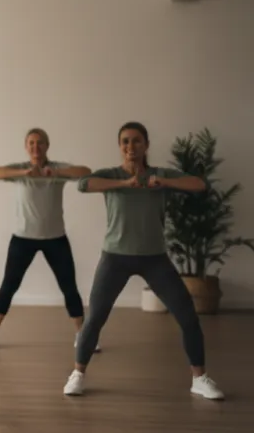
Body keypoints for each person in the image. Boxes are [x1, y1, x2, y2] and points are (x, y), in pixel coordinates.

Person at [62, 121, 223, 400]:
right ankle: (78, 374)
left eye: (136, 141)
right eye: (125, 141)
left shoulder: (161, 175)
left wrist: (165, 182)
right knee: (95, 318)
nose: (130, 146)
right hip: (115, 257)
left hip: (154, 258)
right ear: (120, 146)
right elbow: (84, 184)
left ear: (146, 145)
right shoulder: (111, 175)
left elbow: (199, 184)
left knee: (187, 315)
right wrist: (124, 183)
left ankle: (199, 379)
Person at [0, 128, 92, 350]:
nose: (35, 147)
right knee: (9, 286)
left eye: (40, 143)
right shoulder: (20, 170)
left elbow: (85, 172)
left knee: (69, 287)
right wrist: (24, 173)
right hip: (23, 238)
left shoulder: (57, 169)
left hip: (55, 239)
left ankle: (82, 334)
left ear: (47, 146)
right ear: (26, 147)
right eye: (31, 143)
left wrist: (55, 172)